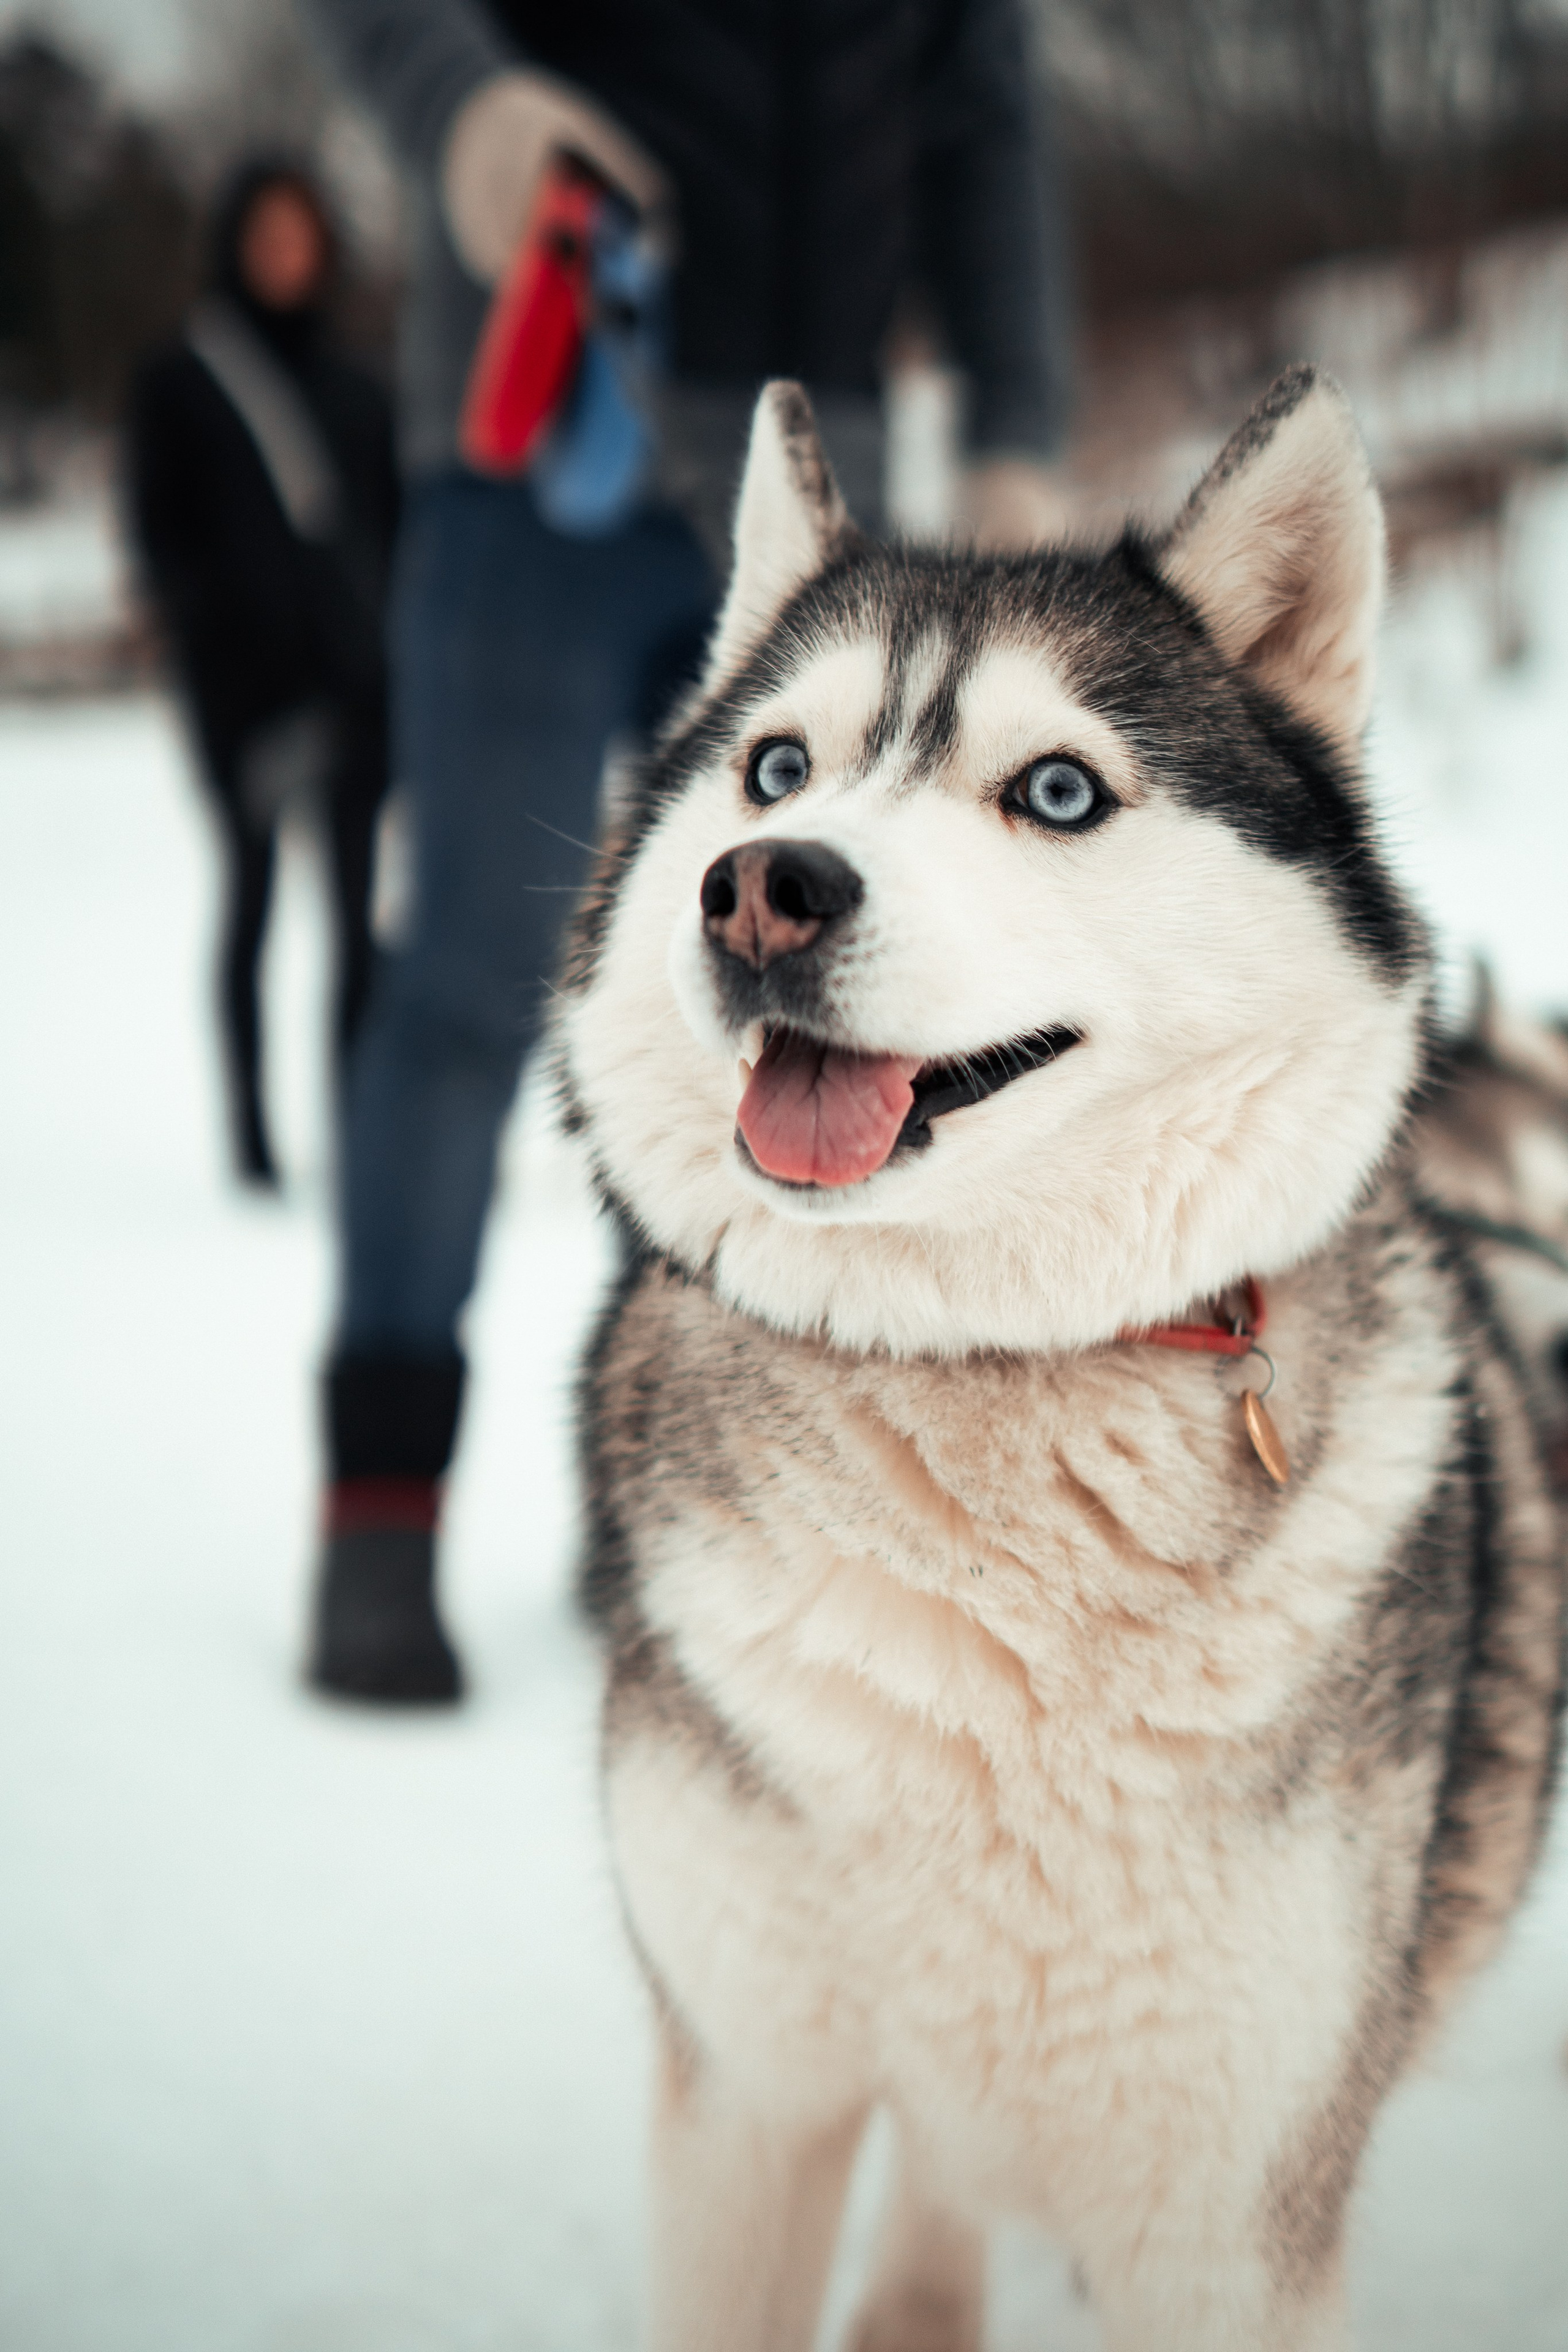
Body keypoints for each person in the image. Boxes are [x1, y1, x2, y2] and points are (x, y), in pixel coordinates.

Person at [301, 0, 1074, 1705]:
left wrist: (1018, 417)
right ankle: (380, 1502)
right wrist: (474, 112)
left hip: (823, 455)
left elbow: (984, 102)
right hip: (545, 417)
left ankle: (657, 1480)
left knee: (783, 987)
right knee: (473, 989)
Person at [127, 160, 399, 1188]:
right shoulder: (181, 380)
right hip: (245, 704)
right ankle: (249, 1136)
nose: (285, 255)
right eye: (266, 235)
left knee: (356, 923)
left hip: (355, 693)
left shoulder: (359, 387)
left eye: (302, 235)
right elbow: (162, 539)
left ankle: (353, 1125)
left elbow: (394, 536)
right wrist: (226, 649)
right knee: (250, 908)